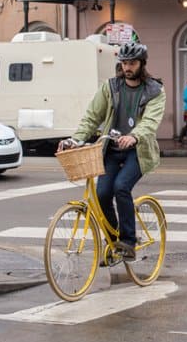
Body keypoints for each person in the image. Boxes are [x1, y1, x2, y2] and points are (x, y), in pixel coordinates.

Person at [58, 42, 166, 260]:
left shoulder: (154, 91)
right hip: (111, 149)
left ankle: (128, 241)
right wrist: (76, 139)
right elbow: (92, 117)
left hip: (137, 151)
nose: (127, 67)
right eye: (124, 63)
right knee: (102, 194)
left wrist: (134, 136)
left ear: (142, 64)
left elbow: (150, 122)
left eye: (132, 63)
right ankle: (113, 243)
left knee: (121, 187)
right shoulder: (110, 87)